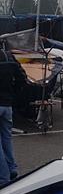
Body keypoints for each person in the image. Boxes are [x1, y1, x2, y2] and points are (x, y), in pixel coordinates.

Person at [0, 47, 26, 184]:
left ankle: (3, 178)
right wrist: (13, 95)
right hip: (7, 104)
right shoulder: (9, 56)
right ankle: (11, 169)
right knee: (7, 138)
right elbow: (23, 79)